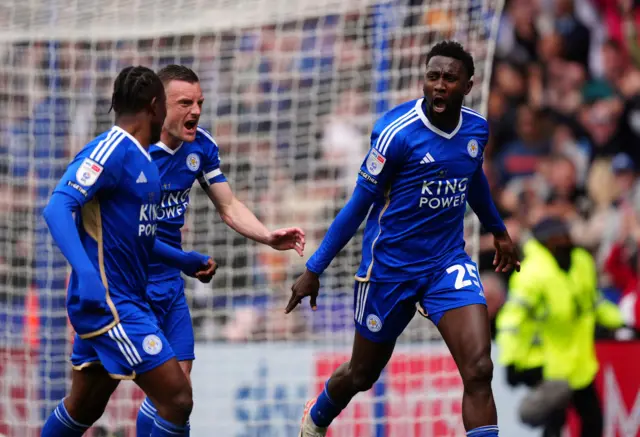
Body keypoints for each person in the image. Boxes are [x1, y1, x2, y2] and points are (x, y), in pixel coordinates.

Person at [286, 41, 520, 437]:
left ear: (468, 85)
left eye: (450, 78)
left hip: (447, 263)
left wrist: (498, 230)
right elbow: (358, 206)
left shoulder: (477, 129)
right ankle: (317, 415)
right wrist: (314, 267)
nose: (440, 85)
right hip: (390, 269)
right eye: (433, 77)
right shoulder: (396, 133)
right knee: (362, 374)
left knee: (479, 369)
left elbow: (473, 178)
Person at [40, 66, 215, 437]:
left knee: (84, 407)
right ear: (155, 107)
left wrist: (182, 260)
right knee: (178, 398)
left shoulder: (144, 160)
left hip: (124, 299)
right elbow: (57, 207)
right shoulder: (111, 150)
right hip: (112, 303)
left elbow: (137, 236)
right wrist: (86, 274)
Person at [135, 64, 306, 436]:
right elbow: (124, 231)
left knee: (178, 393)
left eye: (199, 102)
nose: (195, 110)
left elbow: (228, 206)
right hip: (128, 285)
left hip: (169, 285)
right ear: (157, 105)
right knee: (94, 397)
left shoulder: (201, 147)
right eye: (185, 103)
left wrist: (267, 236)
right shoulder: (132, 152)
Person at [504, 216, 624, 437]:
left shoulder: (581, 262)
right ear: (545, 241)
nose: (564, 240)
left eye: (565, 235)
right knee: (553, 425)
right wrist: (511, 360)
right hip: (549, 364)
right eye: (556, 237)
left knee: (594, 421)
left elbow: (593, 302)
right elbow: (512, 320)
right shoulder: (532, 273)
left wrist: (620, 322)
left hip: (579, 363)